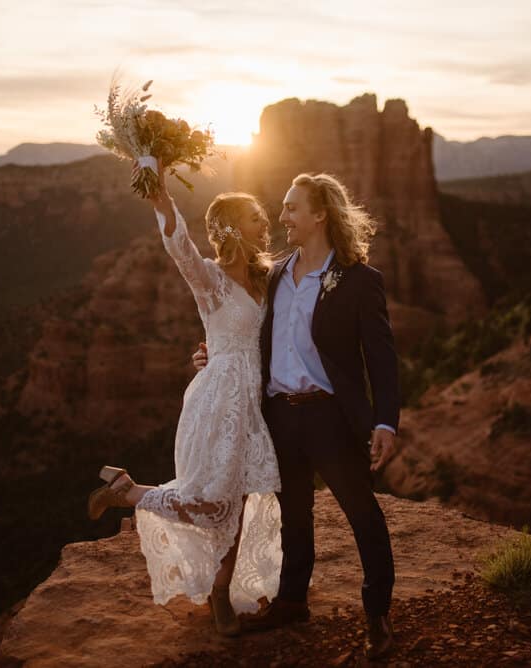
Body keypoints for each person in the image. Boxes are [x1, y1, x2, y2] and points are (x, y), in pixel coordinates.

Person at [193, 172, 402, 659]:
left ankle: (377, 614)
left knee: (361, 513)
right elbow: (237, 330)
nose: (281, 217)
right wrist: (210, 356)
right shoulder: (273, 275)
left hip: (331, 416)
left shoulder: (358, 280)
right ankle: (291, 600)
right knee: (294, 515)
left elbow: (382, 357)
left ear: (319, 215)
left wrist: (385, 421)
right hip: (279, 415)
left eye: (291, 208)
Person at [87, 160, 282, 637]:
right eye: (257, 217)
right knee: (213, 501)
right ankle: (130, 492)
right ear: (234, 227)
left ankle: (221, 595)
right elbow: (181, 248)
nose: (266, 223)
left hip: (256, 404)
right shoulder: (211, 280)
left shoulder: (268, 278)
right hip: (220, 401)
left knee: (241, 501)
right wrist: (161, 199)